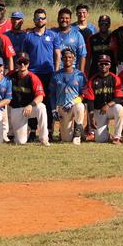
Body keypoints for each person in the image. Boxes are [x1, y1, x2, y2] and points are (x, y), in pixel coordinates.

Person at [19, 8, 61, 141]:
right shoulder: (28, 36)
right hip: (33, 73)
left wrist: (56, 70)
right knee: (32, 100)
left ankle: (48, 130)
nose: (40, 20)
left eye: (42, 18)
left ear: (46, 20)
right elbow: (23, 55)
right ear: (34, 20)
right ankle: (32, 130)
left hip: (48, 73)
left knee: (48, 102)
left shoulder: (53, 35)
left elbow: (57, 54)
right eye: (37, 18)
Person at [7, 52, 49, 146]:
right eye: (20, 62)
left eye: (25, 62)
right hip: (16, 109)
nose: (22, 65)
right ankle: (26, 129)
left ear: (28, 64)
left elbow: (40, 96)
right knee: (20, 141)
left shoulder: (33, 77)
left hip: (29, 108)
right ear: (16, 63)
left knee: (41, 107)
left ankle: (44, 138)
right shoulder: (10, 76)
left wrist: (31, 105)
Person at [83, 54, 123, 144]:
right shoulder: (92, 80)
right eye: (101, 64)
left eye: (106, 64)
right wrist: (91, 117)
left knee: (119, 108)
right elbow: (90, 101)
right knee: (100, 139)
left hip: (110, 108)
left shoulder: (115, 78)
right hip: (99, 110)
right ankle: (107, 135)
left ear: (110, 65)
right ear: (98, 65)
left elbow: (120, 98)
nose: (104, 66)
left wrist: (108, 105)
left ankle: (117, 137)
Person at [49, 49, 88, 144]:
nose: (67, 59)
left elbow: (84, 94)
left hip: (73, 105)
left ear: (74, 59)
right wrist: (54, 109)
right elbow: (52, 94)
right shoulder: (56, 75)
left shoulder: (80, 75)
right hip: (62, 107)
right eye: (65, 57)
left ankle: (78, 132)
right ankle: (72, 132)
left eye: (70, 57)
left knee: (80, 106)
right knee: (66, 139)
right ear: (62, 59)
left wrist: (73, 102)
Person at [54, 7, 87, 72]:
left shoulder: (77, 34)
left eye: (67, 18)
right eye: (62, 18)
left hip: (72, 72)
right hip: (55, 70)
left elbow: (82, 55)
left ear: (70, 20)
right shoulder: (52, 33)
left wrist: (81, 74)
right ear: (58, 19)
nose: (64, 20)